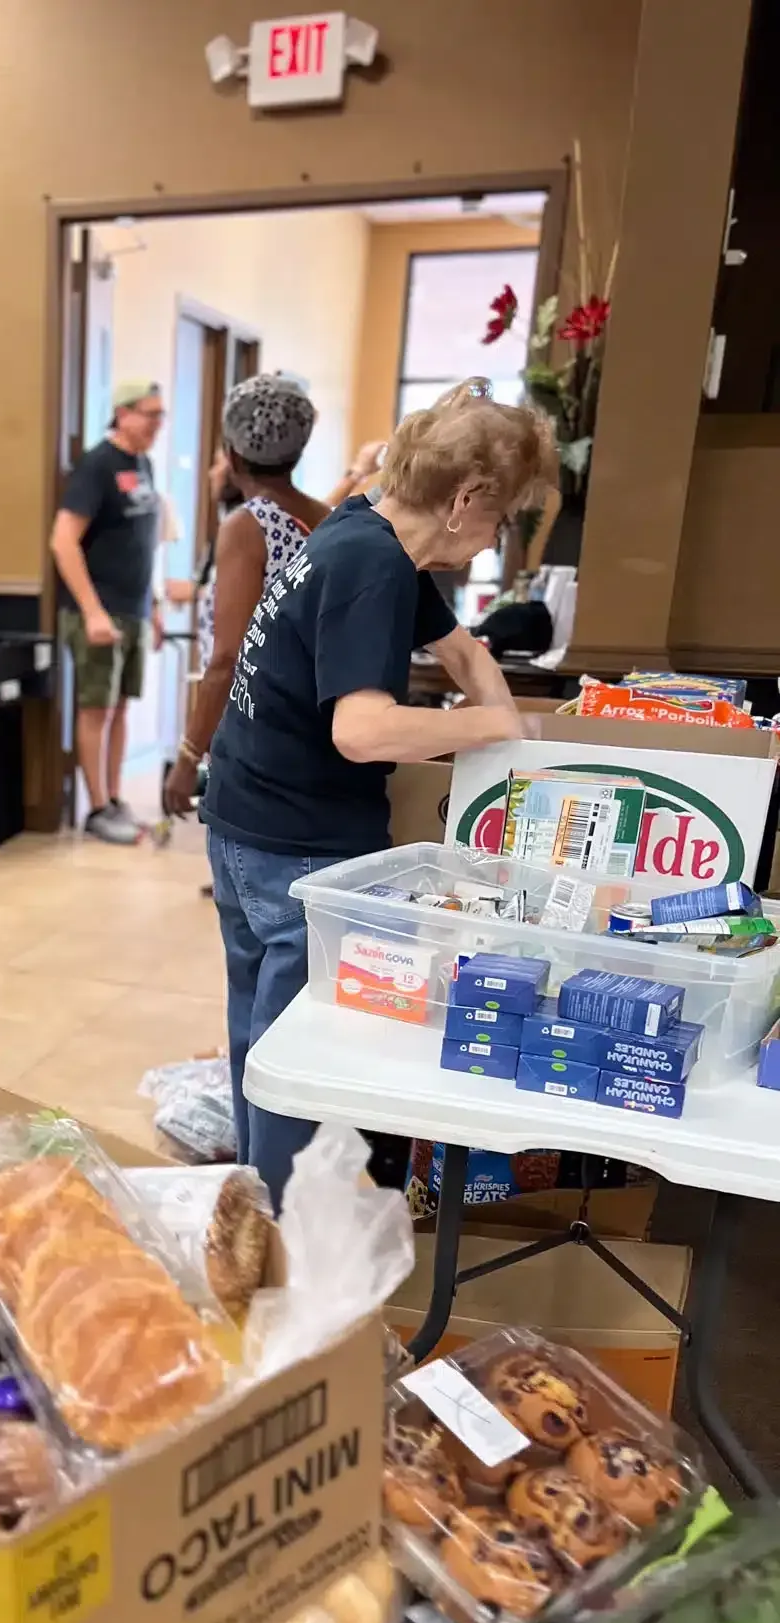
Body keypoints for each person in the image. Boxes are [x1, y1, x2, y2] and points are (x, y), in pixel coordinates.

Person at [199, 380, 557, 1206]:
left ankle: (258, 1208)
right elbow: (360, 731)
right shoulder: (371, 565)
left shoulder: (365, 525)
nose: (497, 537)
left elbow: (462, 650)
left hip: (246, 818)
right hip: (294, 842)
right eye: (501, 519)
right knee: (297, 1052)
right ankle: (286, 1238)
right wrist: (492, 731)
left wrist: (496, 708)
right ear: (467, 499)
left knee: (259, 1034)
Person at [164, 375, 330, 823]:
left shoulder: (247, 525)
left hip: (255, 736)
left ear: (233, 453)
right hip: (308, 726)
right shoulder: (328, 518)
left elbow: (228, 658)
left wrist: (187, 755)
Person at [50, 379, 166, 845]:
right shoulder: (98, 464)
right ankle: (97, 807)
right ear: (123, 413)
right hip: (97, 611)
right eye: (150, 414)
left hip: (134, 608)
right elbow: (63, 541)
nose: (157, 424)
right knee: (96, 707)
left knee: (120, 708)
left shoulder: (145, 465)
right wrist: (93, 612)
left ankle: (115, 799)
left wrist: (154, 606)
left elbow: (142, 544)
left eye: (161, 415)